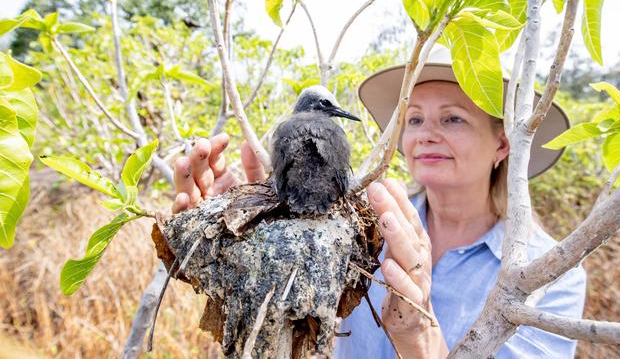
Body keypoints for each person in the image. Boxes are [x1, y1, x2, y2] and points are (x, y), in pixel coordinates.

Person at [171, 56, 587, 358]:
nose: (426, 134)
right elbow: (299, 328)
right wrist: (250, 241)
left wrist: (419, 341)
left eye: (453, 118)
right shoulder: (358, 220)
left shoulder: (548, 275)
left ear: (503, 143)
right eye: (415, 119)